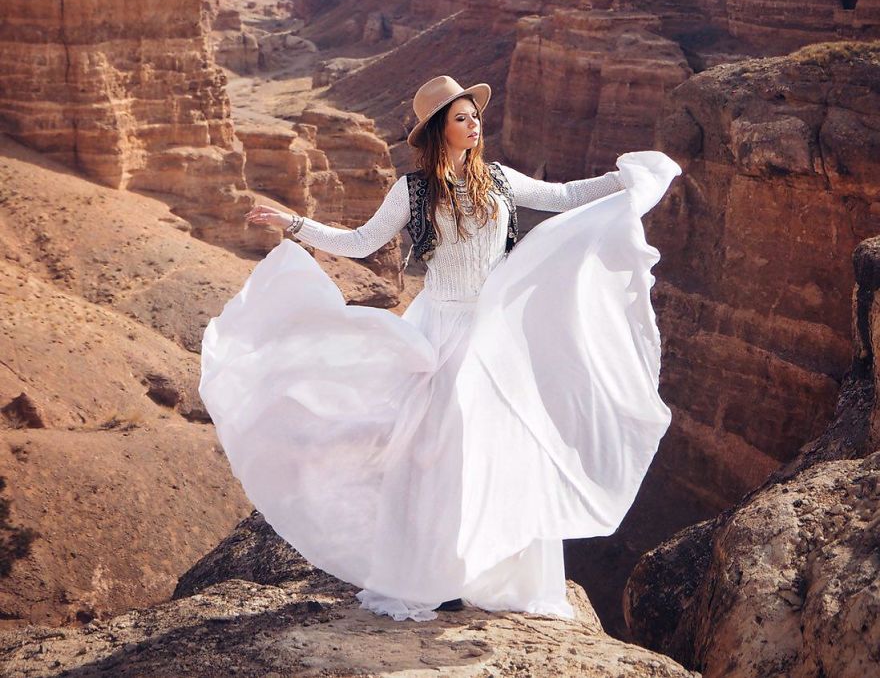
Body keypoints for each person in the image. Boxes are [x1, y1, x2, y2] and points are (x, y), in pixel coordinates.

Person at [199, 74, 681, 623]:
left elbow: (565, 197)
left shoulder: (498, 178)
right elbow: (361, 242)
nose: (474, 124)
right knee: (435, 453)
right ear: (437, 129)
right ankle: (434, 574)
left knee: (498, 449)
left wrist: (629, 180)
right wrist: (295, 223)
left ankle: (489, 571)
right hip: (439, 329)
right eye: (461, 118)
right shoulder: (411, 190)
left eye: (475, 116)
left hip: (494, 332)